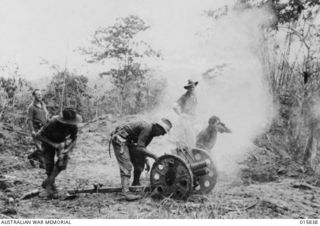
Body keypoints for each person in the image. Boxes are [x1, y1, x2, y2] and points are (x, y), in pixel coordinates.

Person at [110, 118, 172, 201]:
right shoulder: (147, 128)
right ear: (158, 127)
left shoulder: (151, 133)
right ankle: (126, 193)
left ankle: (135, 183)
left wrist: (145, 160)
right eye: (163, 132)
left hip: (129, 142)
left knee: (140, 163)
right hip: (120, 140)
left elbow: (142, 147)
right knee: (127, 166)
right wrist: (154, 156)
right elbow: (140, 148)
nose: (163, 134)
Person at [33, 107, 82, 198]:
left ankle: (48, 182)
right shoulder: (53, 122)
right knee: (49, 164)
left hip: (62, 143)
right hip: (48, 142)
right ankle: (50, 185)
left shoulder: (73, 125)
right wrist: (54, 144)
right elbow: (38, 135)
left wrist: (67, 150)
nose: (69, 124)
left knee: (62, 164)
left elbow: (74, 138)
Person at [26, 89, 49, 167]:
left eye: (40, 94)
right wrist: (32, 130)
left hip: (44, 129)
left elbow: (46, 116)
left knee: (45, 146)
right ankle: (42, 164)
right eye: (38, 94)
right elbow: (29, 120)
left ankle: (31, 157)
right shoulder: (31, 107)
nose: (40, 96)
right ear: (34, 96)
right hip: (36, 129)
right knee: (40, 147)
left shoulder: (43, 105)